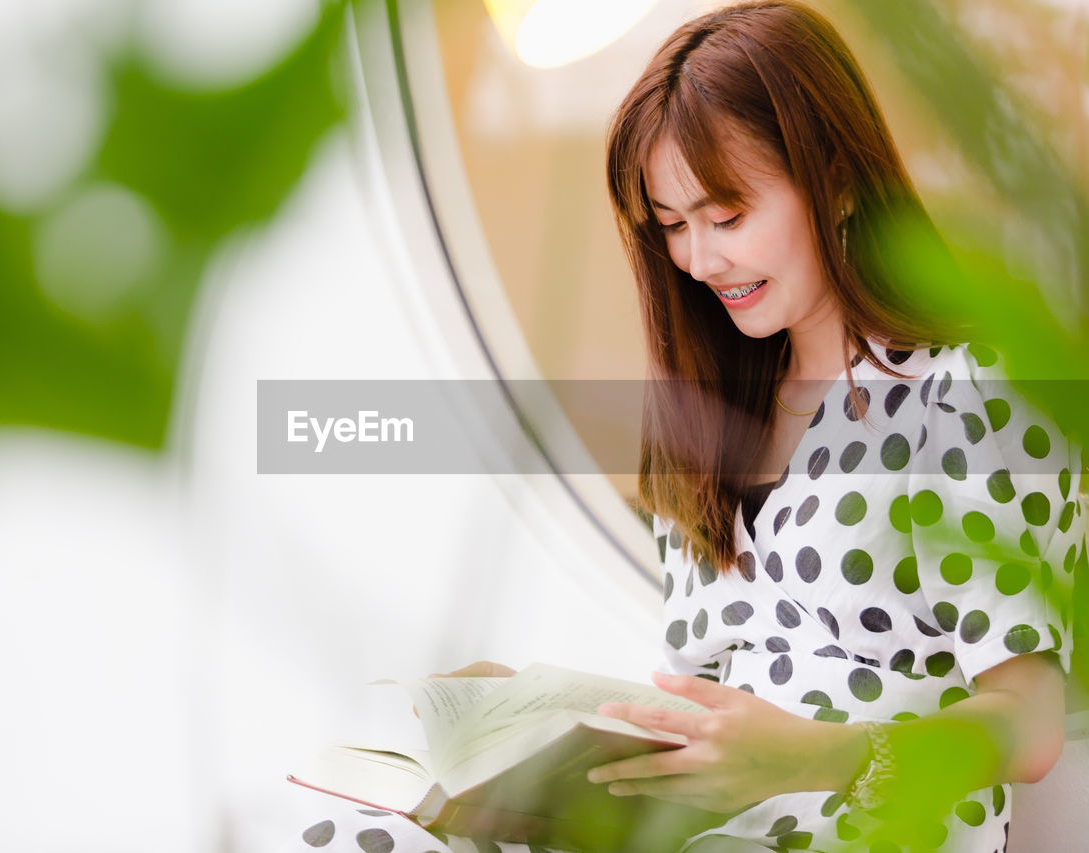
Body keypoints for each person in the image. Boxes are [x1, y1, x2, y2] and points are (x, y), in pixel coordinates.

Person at [290, 2, 1082, 850]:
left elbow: (1029, 727)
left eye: (728, 215)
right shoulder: (712, 416)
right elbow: (708, 704)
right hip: (701, 829)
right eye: (672, 226)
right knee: (347, 829)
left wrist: (810, 756)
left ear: (838, 178)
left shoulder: (964, 396)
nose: (700, 262)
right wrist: (527, 719)